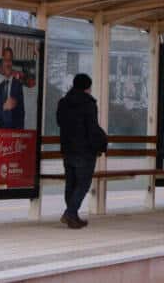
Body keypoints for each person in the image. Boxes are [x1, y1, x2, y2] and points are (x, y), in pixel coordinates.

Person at [56, 73, 107, 229]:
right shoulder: (88, 103)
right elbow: (92, 128)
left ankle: (73, 215)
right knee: (83, 183)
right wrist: (99, 144)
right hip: (84, 150)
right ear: (87, 87)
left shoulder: (63, 102)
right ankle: (70, 213)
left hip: (68, 148)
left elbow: (59, 122)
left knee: (71, 183)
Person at [0, 47, 25, 129]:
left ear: (12, 63)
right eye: (6, 60)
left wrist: (16, 105)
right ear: (2, 63)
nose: (8, 63)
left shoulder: (18, 85)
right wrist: (4, 107)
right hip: (1, 137)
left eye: (10, 60)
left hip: (14, 137)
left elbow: (22, 115)